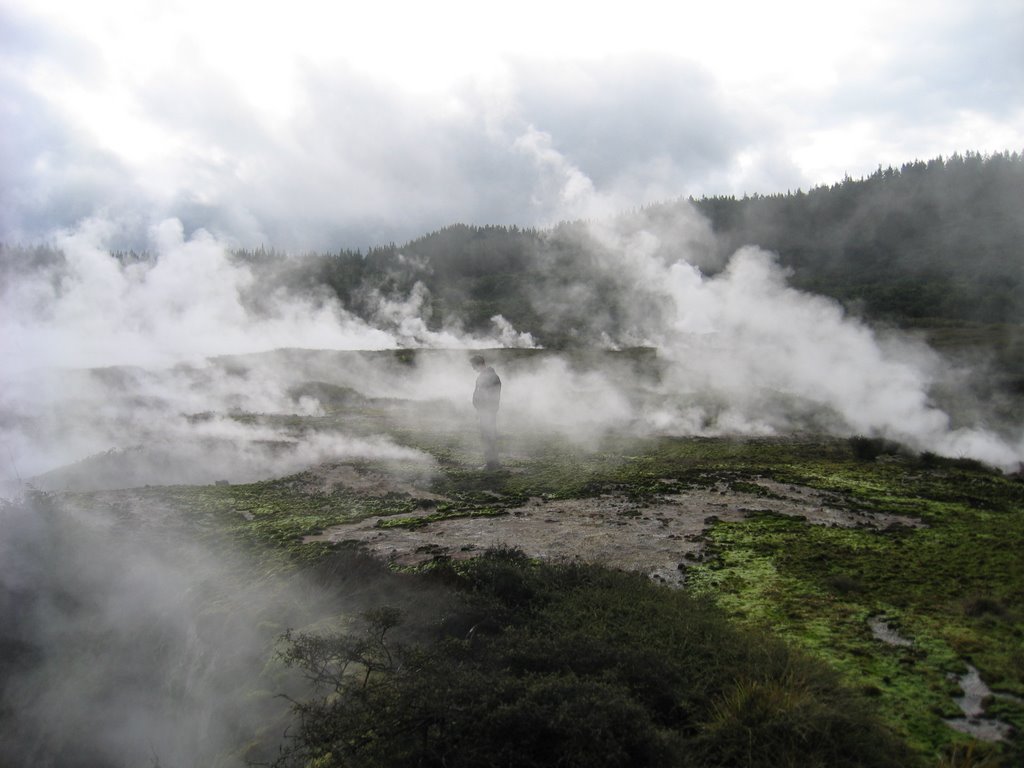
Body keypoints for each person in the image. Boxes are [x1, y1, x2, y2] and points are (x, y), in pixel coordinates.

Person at [470, 355, 501, 469]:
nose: (473, 369)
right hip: (485, 411)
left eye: (474, 366)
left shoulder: (490, 377)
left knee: (488, 436)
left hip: (488, 411)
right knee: (487, 436)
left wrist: (483, 409)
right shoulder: (485, 376)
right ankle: (492, 463)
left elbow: (488, 396)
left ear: (479, 364)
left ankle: (491, 464)